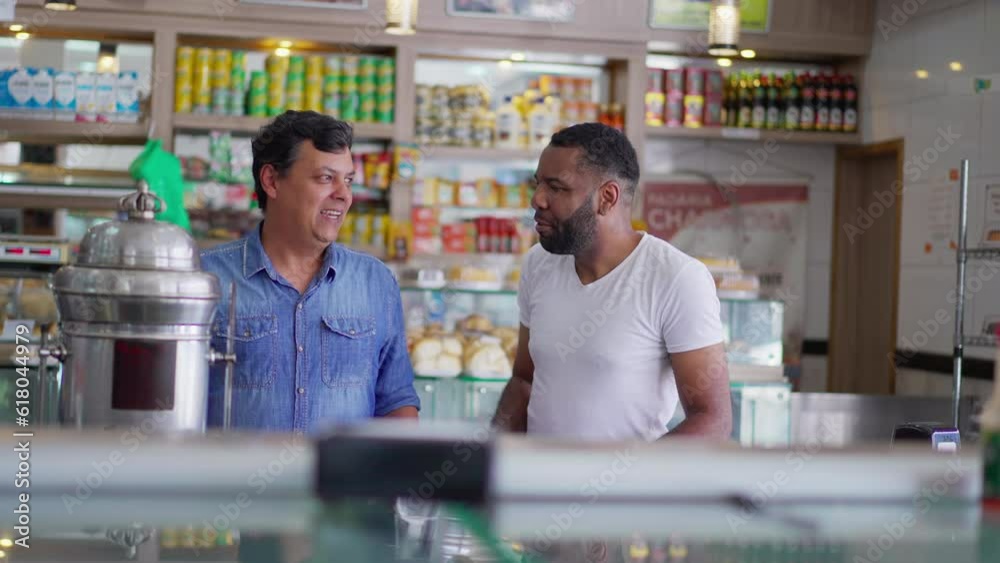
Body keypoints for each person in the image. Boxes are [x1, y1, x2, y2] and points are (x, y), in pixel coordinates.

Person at [492, 122, 732, 441]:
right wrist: (492, 460)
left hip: (624, 489)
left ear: (607, 197)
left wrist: (627, 481)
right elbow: (524, 381)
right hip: (540, 486)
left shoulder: (677, 278)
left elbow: (712, 420)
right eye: (538, 185)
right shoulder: (539, 263)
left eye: (556, 187)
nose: (537, 200)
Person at [201, 110, 419, 433]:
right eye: (325, 178)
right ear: (272, 181)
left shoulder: (375, 282)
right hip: (236, 483)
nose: (344, 195)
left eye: (347, 180)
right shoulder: (206, 279)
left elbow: (396, 401)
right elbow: (172, 404)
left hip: (344, 484)